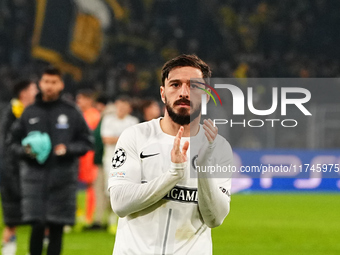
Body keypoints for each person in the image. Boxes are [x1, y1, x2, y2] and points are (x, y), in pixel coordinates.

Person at [108, 54, 233, 254]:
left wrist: (203, 168)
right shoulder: (135, 136)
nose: (184, 92)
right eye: (175, 84)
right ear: (163, 93)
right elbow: (120, 203)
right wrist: (173, 174)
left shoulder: (218, 148)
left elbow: (215, 218)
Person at [8, 67, 93, 255]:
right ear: (40, 84)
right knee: (37, 226)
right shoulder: (29, 112)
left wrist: (68, 149)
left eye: (54, 82)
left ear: (61, 84)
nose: (49, 86)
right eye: (46, 82)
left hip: (62, 180)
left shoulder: (71, 112)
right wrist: (26, 150)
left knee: (57, 228)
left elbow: (87, 142)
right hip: (34, 180)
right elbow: (12, 143)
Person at [0, 80, 38, 255]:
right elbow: (6, 147)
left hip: (31, 173)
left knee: (39, 221)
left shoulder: (33, 112)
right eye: (33, 89)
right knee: (12, 221)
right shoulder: (11, 113)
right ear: (24, 93)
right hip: (13, 173)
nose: (37, 91)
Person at [101, 95, 139, 233]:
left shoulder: (133, 121)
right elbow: (106, 139)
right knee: (110, 191)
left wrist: (117, 138)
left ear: (129, 108)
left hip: (129, 161)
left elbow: (135, 142)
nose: (122, 109)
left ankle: (123, 221)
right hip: (110, 161)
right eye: (120, 106)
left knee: (127, 190)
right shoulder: (108, 120)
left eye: (125, 106)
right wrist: (124, 138)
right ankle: (111, 220)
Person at [76, 89, 101, 226]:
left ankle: (88, 215)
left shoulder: (93, 116)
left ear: (89, 100)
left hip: (89, 155)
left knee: (90, 185)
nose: (79, 102)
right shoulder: (80, 114)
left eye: (81, 99)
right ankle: (78, 213)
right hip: (79, 154)